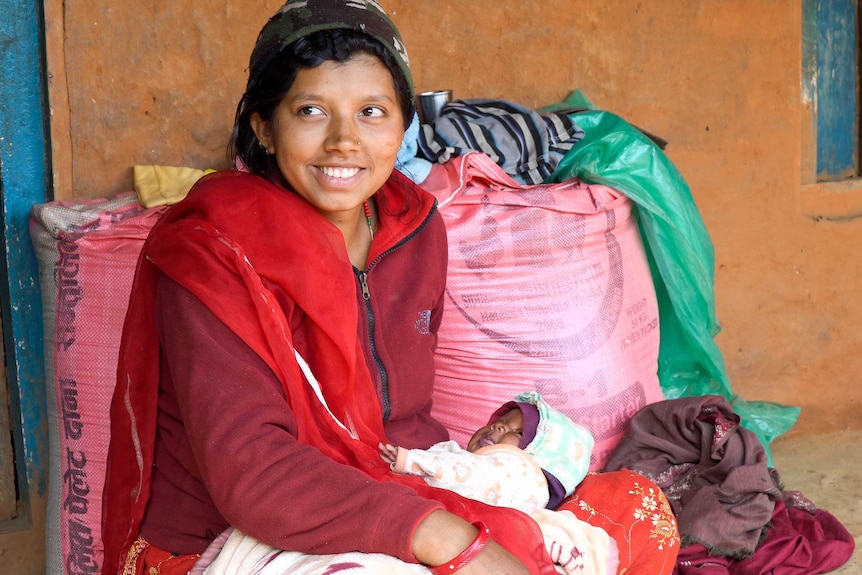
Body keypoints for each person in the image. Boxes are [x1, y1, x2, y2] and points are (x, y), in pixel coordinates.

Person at [101, 1, 552, 574]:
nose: (345, 140)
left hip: (389, 487)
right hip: (236, 531)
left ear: (403, 125)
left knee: (632, 510)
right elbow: (255, 476)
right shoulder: (216, 251)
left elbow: (403, 418)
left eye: (372, 112)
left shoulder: (414, 226)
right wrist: (450, 539)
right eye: (311, 110)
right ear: (264, 126)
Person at [379, 391, 595, 514]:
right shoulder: (459, 455)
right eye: (499, 422)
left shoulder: (526, 478)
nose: (497, 427)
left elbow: (472, 472)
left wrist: (411, 461)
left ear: (537, 456)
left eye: (519, 432)